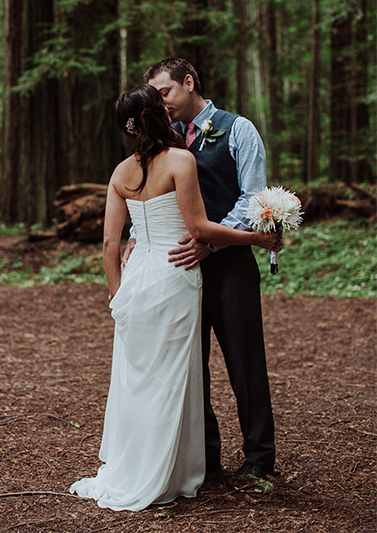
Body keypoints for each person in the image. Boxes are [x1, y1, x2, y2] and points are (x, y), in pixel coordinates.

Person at [69, 84, 283, 511]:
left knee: (144, 378)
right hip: (176, 275)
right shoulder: (180, 160)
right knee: (176, 376)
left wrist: (117, 299)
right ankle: (177, 467)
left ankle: (150, 463)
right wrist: (257, 239)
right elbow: (200, 230)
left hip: (137, 282)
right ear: (157, 115)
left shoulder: (118, 172)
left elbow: (111, 245)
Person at [128, 58, 279, 480]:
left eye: (165, 93)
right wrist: (138, 238)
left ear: (189, 82)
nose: (161, 104)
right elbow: (148, 194)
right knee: (189, 367)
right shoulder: (164, 139)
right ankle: (204, 459)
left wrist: (209, 242)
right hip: (176, 272)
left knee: (244, 363)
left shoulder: (238, 129)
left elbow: (253, 199)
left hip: (229, 267)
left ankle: (258, 460)